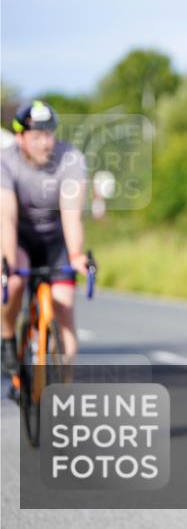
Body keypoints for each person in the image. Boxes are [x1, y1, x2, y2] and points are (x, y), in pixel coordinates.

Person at [1, 101, 89, 374]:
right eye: (37, 136)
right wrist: (8, 261)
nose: (45, 143)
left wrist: (75, 255)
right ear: (20, 137)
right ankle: (7, 336)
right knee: (14, 283)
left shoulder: (70, 159)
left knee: (64, 308)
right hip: (21, 238)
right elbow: (6, 217)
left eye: (49, 134)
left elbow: (71, 214)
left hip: (56, 240)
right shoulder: (5, 162)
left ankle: (63, 388)